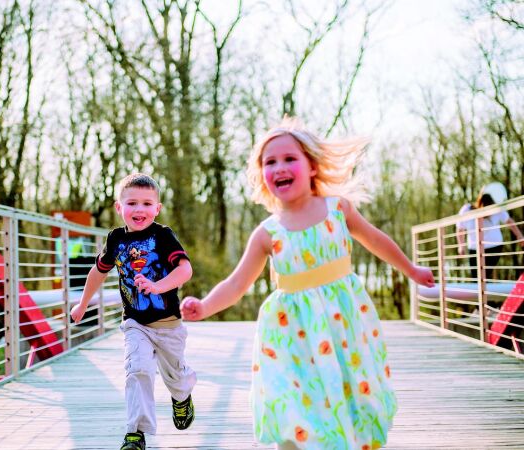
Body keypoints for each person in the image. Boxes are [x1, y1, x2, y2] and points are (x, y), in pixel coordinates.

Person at [180, 118, 435, 450]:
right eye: (269, 162)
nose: (279, 167)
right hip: (291, 332)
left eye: (289, 159)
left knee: (350, 388)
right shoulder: (267, 233)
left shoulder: (337, 209)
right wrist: (205, 306)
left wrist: (410, 269)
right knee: (297, 399)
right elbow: (237, 283)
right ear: (262, 176)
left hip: (343, 324)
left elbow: (375, 240)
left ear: (312, 166)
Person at [71, 173, 196, 450]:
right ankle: (135, 433)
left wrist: (157, 286)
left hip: (168, 324)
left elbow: (185, 269)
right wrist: (82, 304)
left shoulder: (163, 236)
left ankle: (181, 397)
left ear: (157, 208)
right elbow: (98, 272)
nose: (139, 209)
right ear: (119, 207)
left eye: (147, 204)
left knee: (176, 377)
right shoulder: (115, 239)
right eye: (132, 203)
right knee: (137, 370)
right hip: (135, 323)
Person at [457, 192, 524, 281]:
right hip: (474, 248)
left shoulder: (496, 209)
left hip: (494, 247)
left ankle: (485, 290)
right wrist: (461, 245)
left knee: (484, 274)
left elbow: (509, 221)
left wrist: (519, 236)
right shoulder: (466, 210)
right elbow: (460, 229)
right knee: (475, 277)